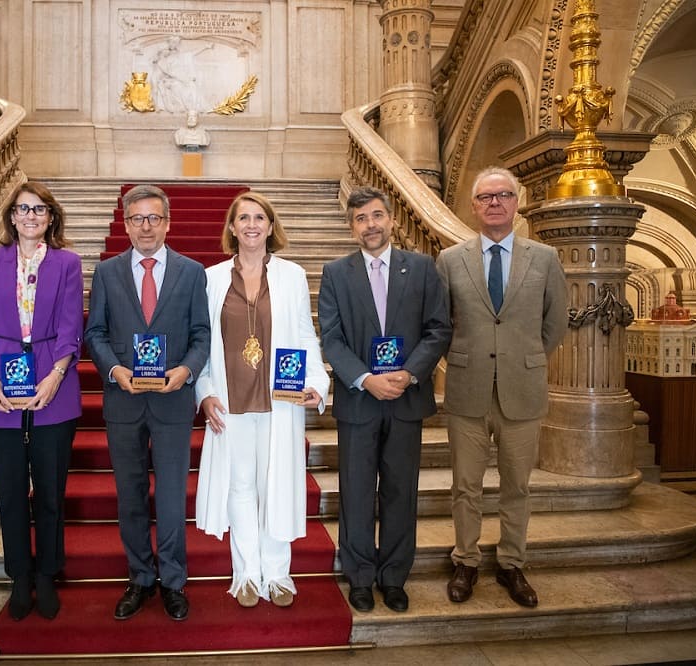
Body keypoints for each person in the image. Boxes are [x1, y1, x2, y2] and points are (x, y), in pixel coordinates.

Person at [435, 166, 568, 608]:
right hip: (467, 390)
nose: (495, 202)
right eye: (486, 197)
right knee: (465, 486)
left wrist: (525, 358)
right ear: (473, 206)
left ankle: (512, 562)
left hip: (522, 390)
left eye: (504, 195)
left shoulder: (544, 258)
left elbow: (555, 323)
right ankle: (466, 560)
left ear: (516, 202)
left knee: (517, 486)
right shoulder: (450, 260)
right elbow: (439, 324)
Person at [318, 186, 451, 613]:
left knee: (400, 491)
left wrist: (409, 373)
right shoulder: (336, 272)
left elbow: (438, 329)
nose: (370, 225)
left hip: (406, 398)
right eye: (360, 219)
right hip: (359, 402)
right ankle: (359, 576)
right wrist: (363, 379)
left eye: (376, 216)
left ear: (391, 220)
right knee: (355, 492)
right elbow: (332, 339)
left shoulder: (423, 267)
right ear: (351, 226)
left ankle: (394, 577)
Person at [195, 192, 329, 608]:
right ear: (232, 228)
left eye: (259, 218)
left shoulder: (291, 275)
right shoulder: (211, 277)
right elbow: (201, 341)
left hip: (280, 399)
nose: (251, 225)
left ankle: (278, 574)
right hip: (230, 400)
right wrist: (204, 393)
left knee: (277, 484)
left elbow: (306, 335)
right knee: (240, 487)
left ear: (271, 227)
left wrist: (318, 383)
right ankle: (247, 574)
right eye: (243, 218)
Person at [84, 184, 210, 621]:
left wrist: (187, 371)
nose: (145, 226)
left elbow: (202, 335)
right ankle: (140, 577)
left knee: (173, 497)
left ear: (168, 222)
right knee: (130, 494)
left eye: (154, 218)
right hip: (124, 401)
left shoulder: (193, 272)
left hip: (173, 402)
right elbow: (95, 333)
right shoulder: (107, 272)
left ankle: (173, 581)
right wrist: (115, 371)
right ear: (125, 223)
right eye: (136, 218)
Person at [0, 182, 83, 621]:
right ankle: (19, 575)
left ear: (51, 217)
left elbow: (72, 326)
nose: (31, 216)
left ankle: (47, 573)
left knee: (50, 489)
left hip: (55, 383)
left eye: (40, 209)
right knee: (10, 489)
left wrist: (55, 375)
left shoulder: (67, 262)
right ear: (11, 217)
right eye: (22, 209)